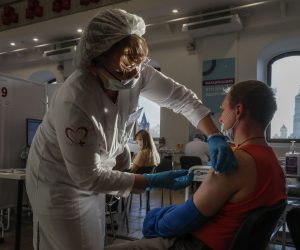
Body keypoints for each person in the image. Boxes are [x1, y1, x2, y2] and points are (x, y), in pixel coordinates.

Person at [25, 9, 236, 250]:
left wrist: (215, 135)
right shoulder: (75, 100)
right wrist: (151, 180)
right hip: (58, 181)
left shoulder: (136, 71)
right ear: (93, 64)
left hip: (94, 173)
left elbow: (182, 99)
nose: (134, 75)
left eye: (138, 64)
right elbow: (87, 176)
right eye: (123, 71)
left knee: (92, 240)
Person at [106, 80, 287, 250]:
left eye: (223, 110)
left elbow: (180, 220)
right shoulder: (274, 163)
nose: (221, 119)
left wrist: (153, 220)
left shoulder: (234, 161)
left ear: (238, 111)